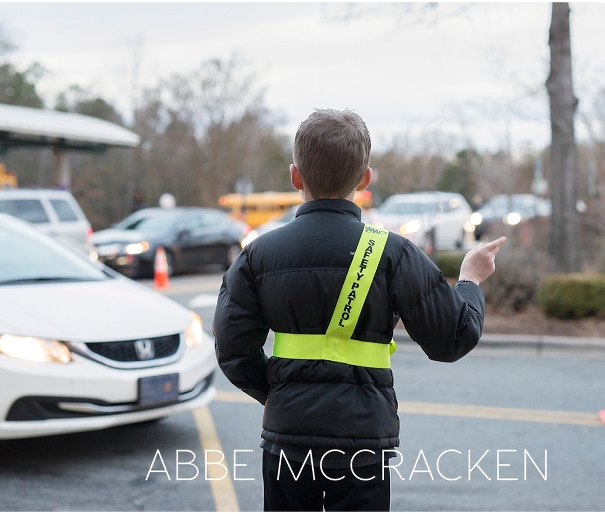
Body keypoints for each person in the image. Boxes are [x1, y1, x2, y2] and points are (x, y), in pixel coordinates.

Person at [213, 109, 505, 512]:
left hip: (287, 439)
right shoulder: (394, 253)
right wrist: (470, 279)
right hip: (363, 443)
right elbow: (452, 339)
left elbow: (232, 351)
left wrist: (284, 392)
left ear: (295, 177)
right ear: (365, 179)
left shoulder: (257, 255)